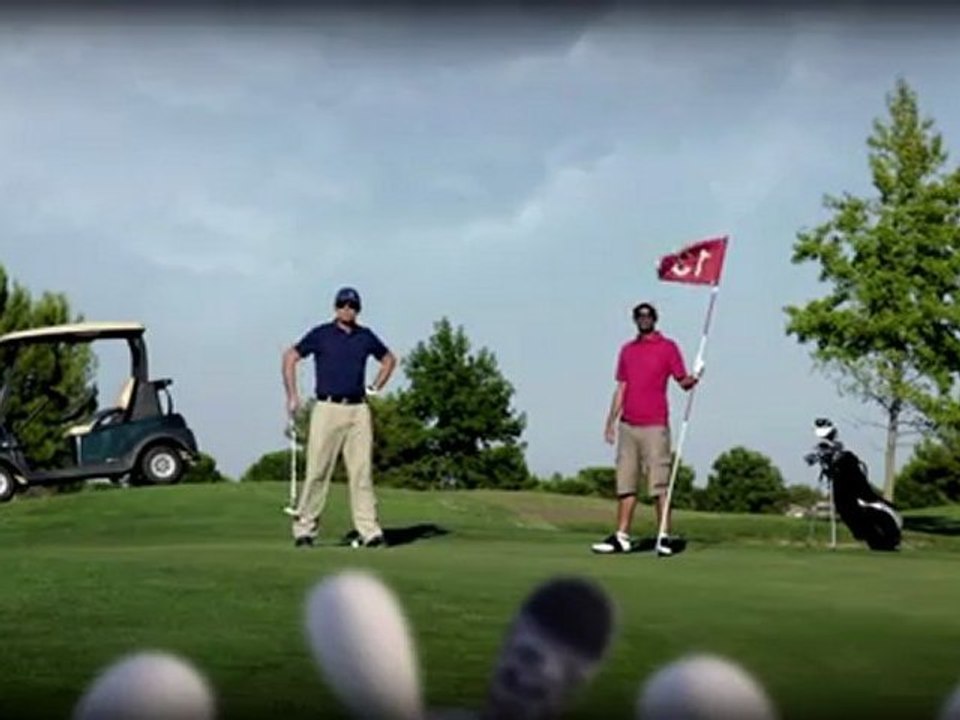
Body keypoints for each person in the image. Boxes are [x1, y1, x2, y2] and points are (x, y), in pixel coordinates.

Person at [281, 286, 397, 548]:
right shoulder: (321, 334)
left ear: (358, 310)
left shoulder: (365, 337)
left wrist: (376, 386)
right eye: (343, 305)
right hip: (327, 407)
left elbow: (389, 359)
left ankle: (369, 531)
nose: (347, 310)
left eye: (352, 306)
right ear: (336, 307)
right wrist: (292, 395)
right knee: (317, 471)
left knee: (361, 473)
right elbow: (290, 357)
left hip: (358, 409)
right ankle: (304, 530)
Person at [592, 302, 701, 556]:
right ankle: (621, 537)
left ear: (655, 319)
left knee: (659, 484)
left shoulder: (668, 347)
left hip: (655, 425)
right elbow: (622, 388)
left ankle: (664, 536)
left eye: (648, 316)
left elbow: (683, 381)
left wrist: (695, 377)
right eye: (639, 316)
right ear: (634, 320)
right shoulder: (627, 350)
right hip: (628, 425)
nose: (644, 319)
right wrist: (610, 422)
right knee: (626, 483)